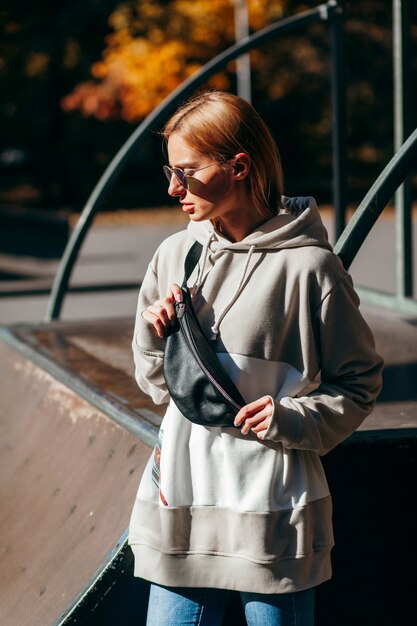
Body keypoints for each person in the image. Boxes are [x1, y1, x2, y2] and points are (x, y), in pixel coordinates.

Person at [128, 91, 383, 626]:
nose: (174, 188)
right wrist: (160, 336)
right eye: (169, 172)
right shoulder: (176, 254)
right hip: (184, 503)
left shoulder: (311, 269)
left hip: (272, 512)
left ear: (239, 166)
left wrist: (294, 417)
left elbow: (358, 383)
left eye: (187, 172)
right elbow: (155, 384)